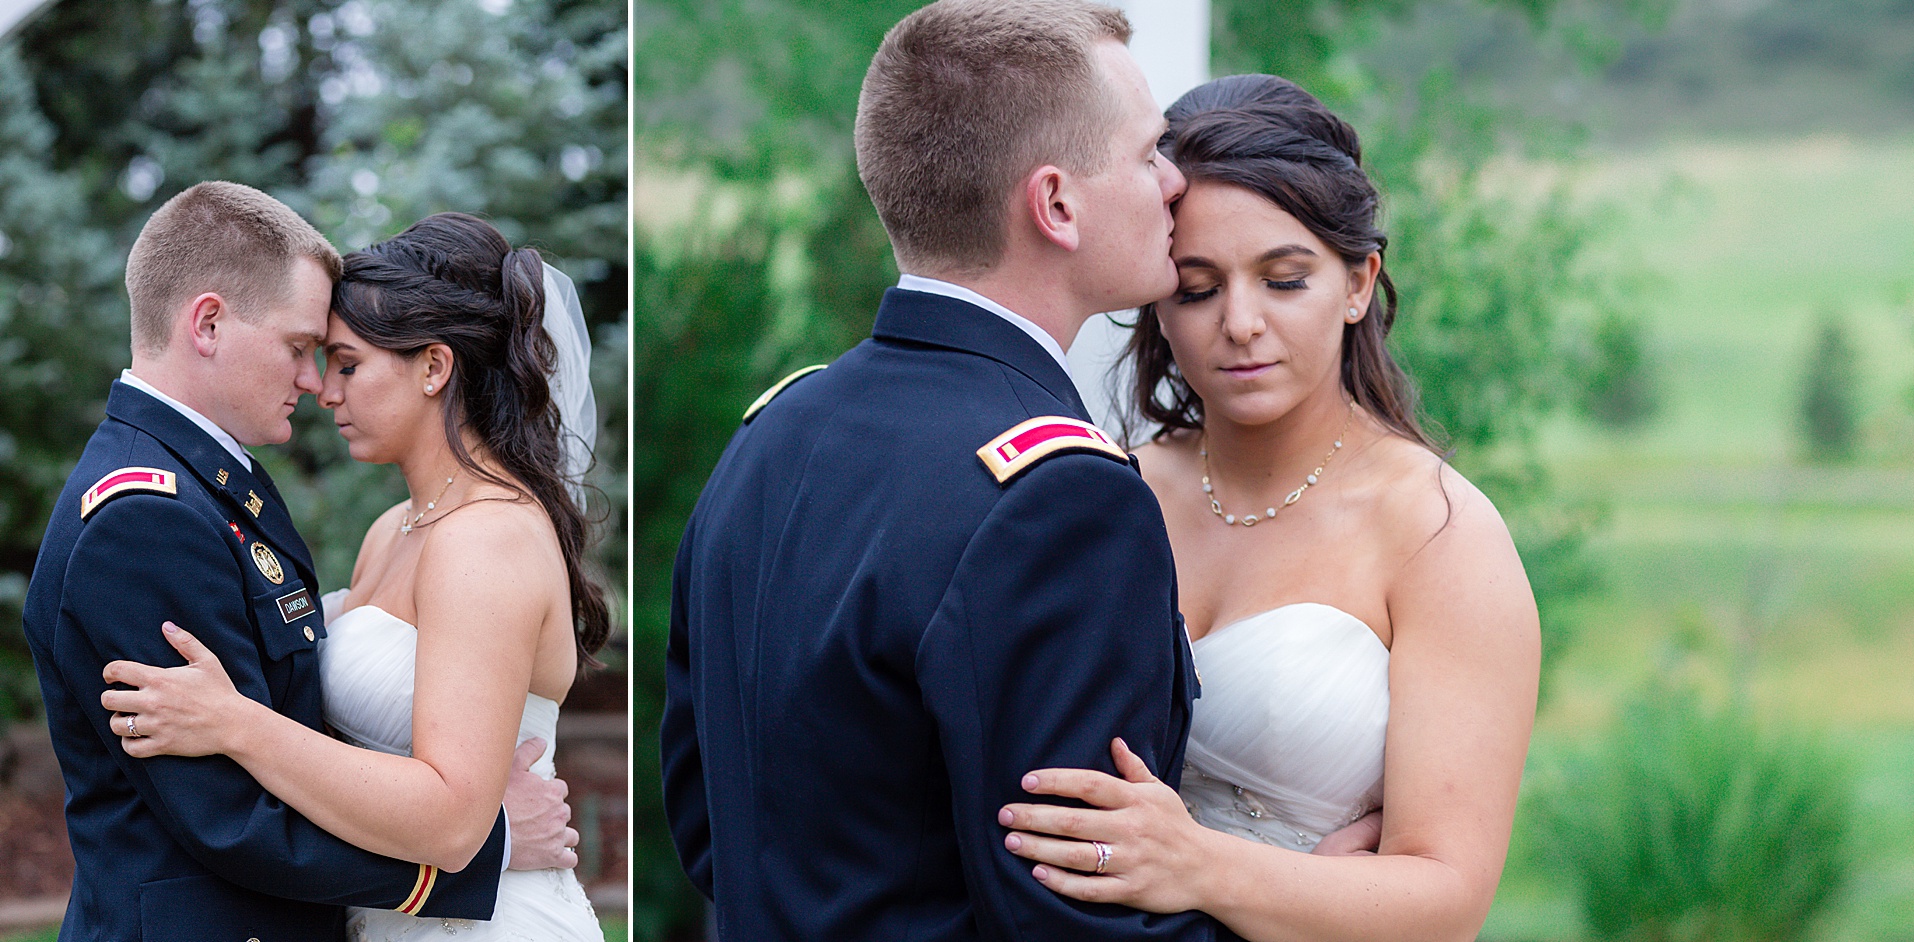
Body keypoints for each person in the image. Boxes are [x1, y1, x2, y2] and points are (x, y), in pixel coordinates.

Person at [662, 1, 1230, 939]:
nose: (1173, 182)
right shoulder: (1062, 495)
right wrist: (1298, 901)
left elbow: (708, 822)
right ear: (1056, 205)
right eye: (1146, 155)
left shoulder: (773, 432)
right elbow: (1076, 918)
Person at [996, 75, 1542, 941]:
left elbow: (1447, 904)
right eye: (1198, 289)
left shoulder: (1439, 534)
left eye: (1285, 280)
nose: (1240, 323)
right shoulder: (1102, 491)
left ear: (1360, 282)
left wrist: (1202, 866)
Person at [22, 183, 578, 940]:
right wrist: (494, 844)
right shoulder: (147, 516)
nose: (316, 383)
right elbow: (231, 818)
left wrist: (238, 722)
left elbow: (289, 710)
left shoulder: (220, 487)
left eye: (342, 362)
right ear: (209, 323)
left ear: (434, 368)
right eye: (302, 349)